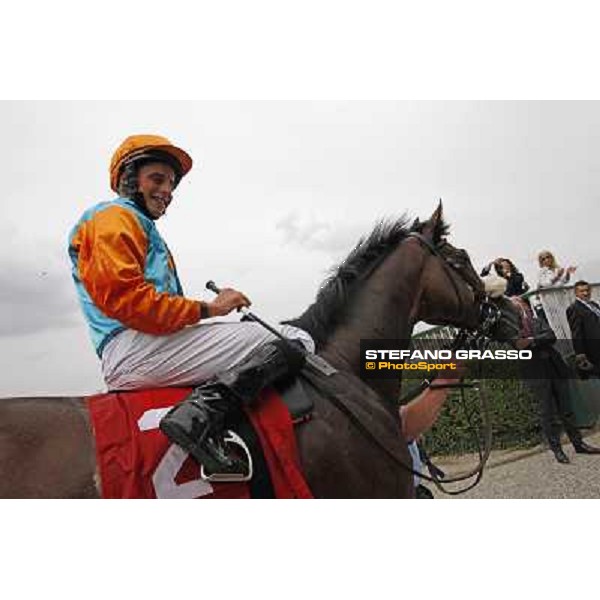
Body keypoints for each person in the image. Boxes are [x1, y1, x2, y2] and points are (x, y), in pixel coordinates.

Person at [68, 134, 314, 475]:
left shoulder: (135, 223)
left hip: (144, 344)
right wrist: (210, 310)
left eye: (171, 183)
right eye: (157, 179)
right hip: (136, 345)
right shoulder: (112, 217)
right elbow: (129, 302)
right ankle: (197, 418)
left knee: (253, 333)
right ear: (130, 179)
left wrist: (211, 318)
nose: (167, 191)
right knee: (290, 339)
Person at [510, 296, 600, 463]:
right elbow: (517, 345)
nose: (519, 307)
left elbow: (551, 336)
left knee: (567, 409)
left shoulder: (537, 321)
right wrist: (536, 341)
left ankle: (579, 444)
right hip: (535, 372)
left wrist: (532, 341)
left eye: (520, 304)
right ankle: (557, 450)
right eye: (515, 305)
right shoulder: (510, 327)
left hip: (554, 368)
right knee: (547, 413)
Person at [566, 280, 600, 377]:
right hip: (594, 349)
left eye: (587, 290)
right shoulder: (574, 308)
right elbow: (576, 332)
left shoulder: (594, 305)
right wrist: (580, 353)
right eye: (582, 291)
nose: (586, 293)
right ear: (576, 293)